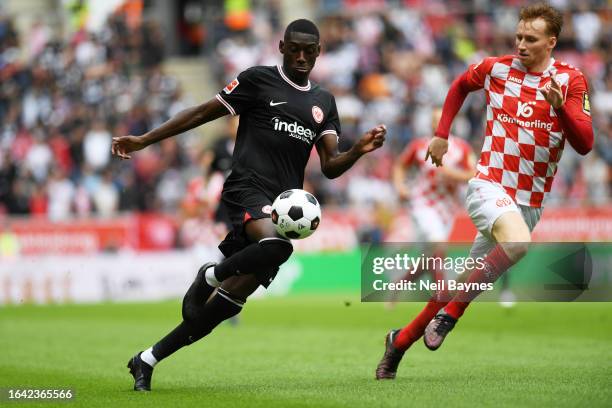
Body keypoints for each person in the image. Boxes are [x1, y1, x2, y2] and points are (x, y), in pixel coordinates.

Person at [111, 19, 386, 391]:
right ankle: (209, 274)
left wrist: (357, 151)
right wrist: (145, 139)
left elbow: (331, 166)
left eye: (310, 50)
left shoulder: (324, 102)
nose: (302, 57)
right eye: (295, 49)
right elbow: (200, 113)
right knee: (277, 246)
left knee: (226, 305)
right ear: (281, 47)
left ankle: (146, 360)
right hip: (246, 188)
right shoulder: (258, 80)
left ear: (320, 52)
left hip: (281, 204)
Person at [376, 3, 593, 380]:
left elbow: (585, 143)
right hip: (488, 184)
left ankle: (398, 342)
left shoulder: (570, 81)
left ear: (551, 42)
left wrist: (561, 110)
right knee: (518, 244)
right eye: (519, 36)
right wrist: (441, 134)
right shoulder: (496, 68)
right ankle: (453, 317)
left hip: (529, 201)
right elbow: (460, 85)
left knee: (462, 285)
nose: (522, 44)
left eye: (531, 39)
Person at [386, 107, 475, 307]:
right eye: (435, 119)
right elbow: (400, 165)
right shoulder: (419, 146)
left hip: (448, 207)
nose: (438, 122)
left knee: (430, 257)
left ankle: (399, 285)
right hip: (423, 203)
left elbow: (473, 173)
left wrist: (450, 173)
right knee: (438, 244)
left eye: (442, 119)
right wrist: (400, 187)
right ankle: (441, 298)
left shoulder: (462, 147)